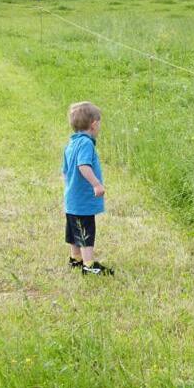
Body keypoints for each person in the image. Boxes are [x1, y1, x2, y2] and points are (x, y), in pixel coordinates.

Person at [62, 101, 113, 276]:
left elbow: (65, 171)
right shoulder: (86, 144)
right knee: (85, 232)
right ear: (94, 124)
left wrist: (71, 189)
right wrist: (96, 184)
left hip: (71, 199)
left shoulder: (71, 144)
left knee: (74, 230)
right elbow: (83, 166)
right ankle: (89, 266)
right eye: (99, 124)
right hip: (82, 200)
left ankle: (75, 259)